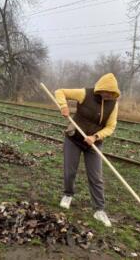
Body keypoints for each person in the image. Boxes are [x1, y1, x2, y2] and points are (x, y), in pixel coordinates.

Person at [54, 73, 120, 227]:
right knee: (70, 171)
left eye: (111, 94)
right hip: (74, 138)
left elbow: (111, 127)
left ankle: (99, 210)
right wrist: (63, 106)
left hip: (94, 143)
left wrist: (96, 137)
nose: (108, 96)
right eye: (106, 92)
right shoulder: (85, 94)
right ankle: (68, 195)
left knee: (96, 177)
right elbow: (60, 92)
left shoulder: (113, 104)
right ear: (100, 89)